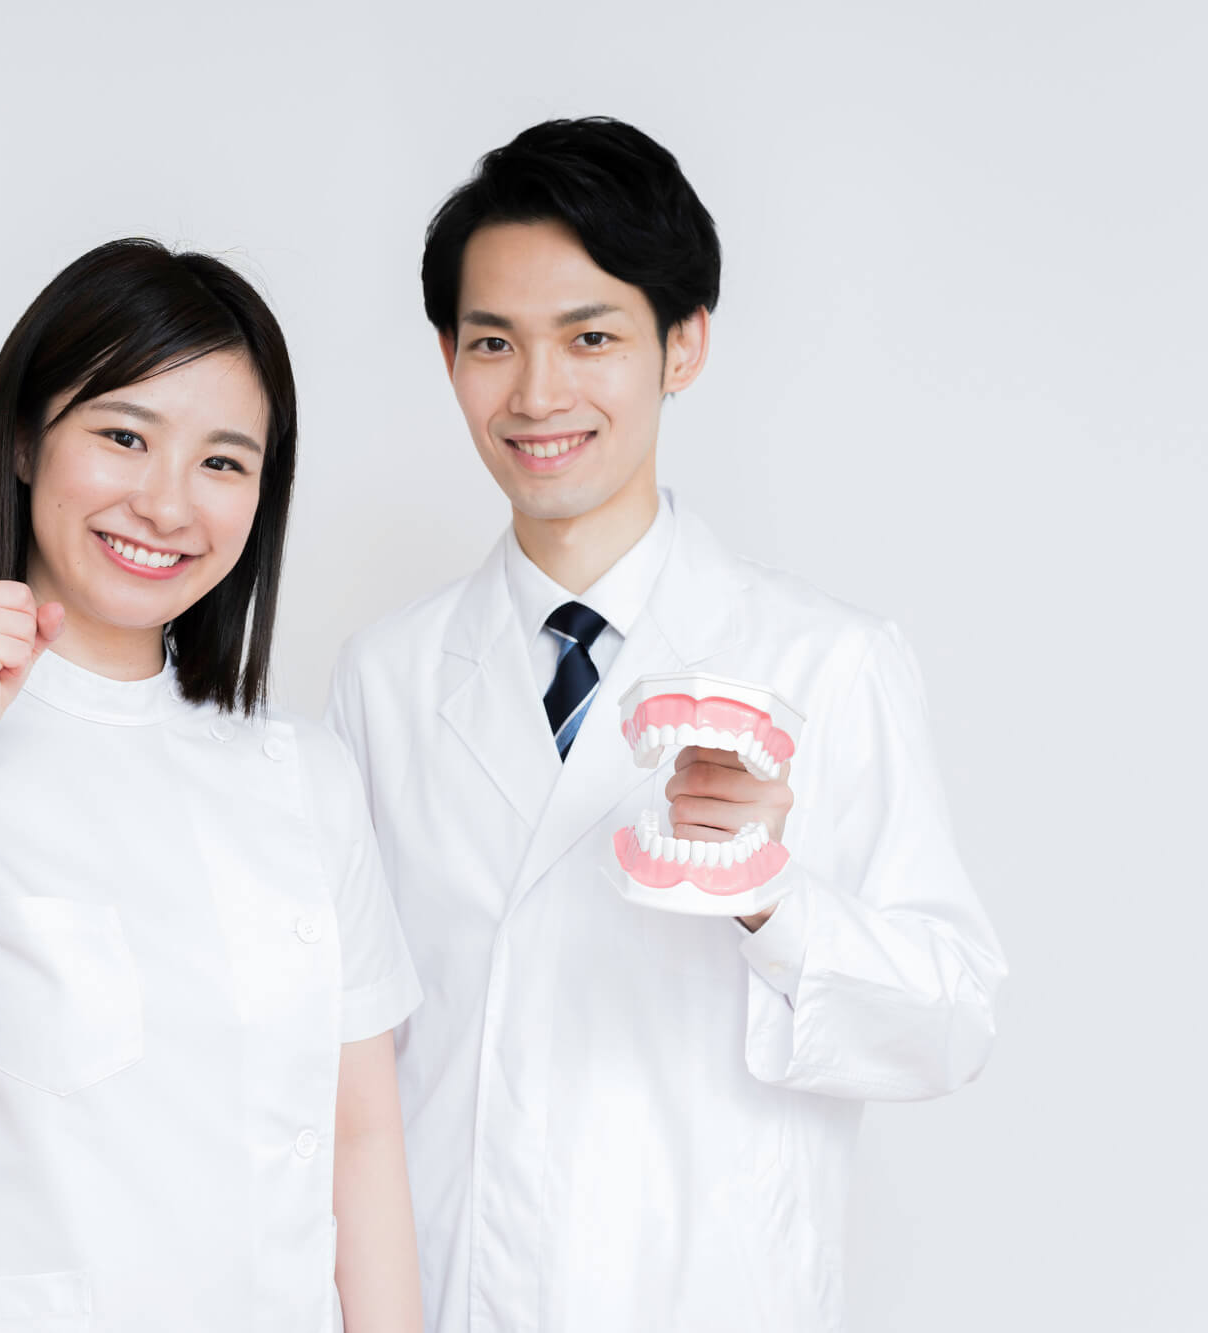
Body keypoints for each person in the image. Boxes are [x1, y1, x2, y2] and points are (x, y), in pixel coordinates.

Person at [324, 119, 1007, 1332]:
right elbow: (345, 1057)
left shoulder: (825, 662)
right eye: (493, 342)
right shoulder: (383, 679)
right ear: (447, 358)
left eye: (589, 337)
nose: (536, 394)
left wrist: (770, 901)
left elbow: (948, 1024)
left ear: (681, 343)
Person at [0, 238, 423, 1333]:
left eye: (223, 463)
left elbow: (360, 1137)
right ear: (26, 439)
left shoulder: (305, 774)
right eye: (124, 437)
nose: (166, 504)